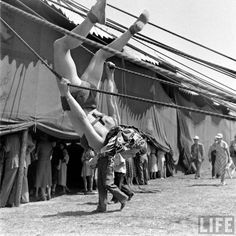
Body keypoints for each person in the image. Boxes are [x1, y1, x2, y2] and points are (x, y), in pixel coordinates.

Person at [54, 0, 149, 212]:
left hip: (92, 97)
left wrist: (109, 77)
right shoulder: (101, 145)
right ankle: (92, 17)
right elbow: (81, 119)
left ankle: (131, 31)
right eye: (132, 154)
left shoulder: (115, 125)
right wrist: (65, 94)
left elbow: (113, 103)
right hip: (77, 102)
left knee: (101, 54)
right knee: (60, 46)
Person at [0, 133, 21, 207]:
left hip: (11, 162)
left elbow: (7, 148)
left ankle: (1, 202)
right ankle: (10, 201)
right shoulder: (17, 137)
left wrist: (3, 147)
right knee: (13, 183)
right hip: (17, 161)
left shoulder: (9, 137)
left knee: (6, 183)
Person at [34, 134, 56, 201]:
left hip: (41, 161)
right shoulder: (50, 144)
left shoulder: (40, 144)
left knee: (40, 177)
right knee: (48, 177)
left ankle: (42, 195)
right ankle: (49, 195)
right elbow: (51, 155)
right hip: (48, 162)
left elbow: (36, 155)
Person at [21, 132, 35, 203]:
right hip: (24, 159)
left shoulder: (27, 135)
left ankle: (25, 198)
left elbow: (33, 146)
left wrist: (26, 152)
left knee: (24, 177)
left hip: (25, 159)